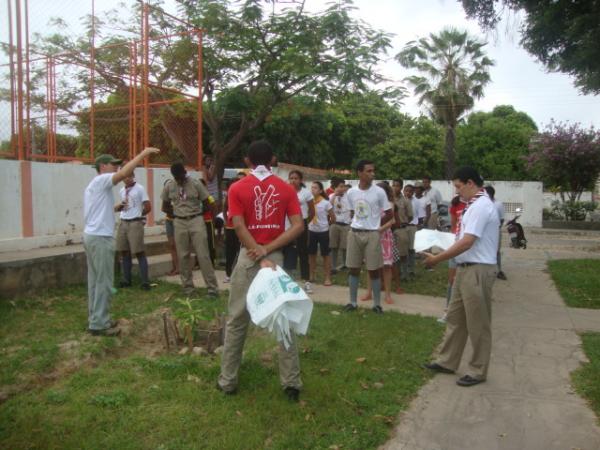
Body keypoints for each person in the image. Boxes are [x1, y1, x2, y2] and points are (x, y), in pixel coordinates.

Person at [217, 139, 305, 401]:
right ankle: (291, 383)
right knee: (284, 318)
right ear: (273, 160)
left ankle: (228, 381)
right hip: (274, 254)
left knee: (236, 319)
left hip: (248, 254)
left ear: (247, 161)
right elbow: (298, 225)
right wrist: (267, 250)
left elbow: (238, 226)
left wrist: (256, 250)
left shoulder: (237, 187)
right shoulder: (286, 188)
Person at [422, 166, 499, 387]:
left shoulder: (481, 206)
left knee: (478, 324)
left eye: (458, 186)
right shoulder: (471, 205)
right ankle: (447, 361)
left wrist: (437, 259)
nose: (456, 192)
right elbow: (460, 239)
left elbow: (467, 241)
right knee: (456, 318)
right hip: (466, 268)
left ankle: (477, 370)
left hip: (478, 270)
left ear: (470, 184)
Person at [83, 147, 160, 336]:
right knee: (104, 281)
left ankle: (96, 318)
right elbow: (126, 173)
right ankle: (100, 324)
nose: (117, 168)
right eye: (114, 165)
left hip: (91, 236)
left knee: (95, 281)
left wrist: (115, 208)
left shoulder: (95, 185)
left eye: (118, 165)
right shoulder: (102, 180)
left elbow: (97, 210)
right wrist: (143, 154)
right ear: (102, 166)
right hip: (100, 238)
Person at [161, 162, 219, 297]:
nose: (180, 179)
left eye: (182, 176)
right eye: (177, 177)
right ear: (174, 176)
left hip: (196, 220)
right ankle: (188, 289)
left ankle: (212, 289)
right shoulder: (170, 186)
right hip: (179, 222)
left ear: (184, 173)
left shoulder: (195, 183)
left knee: (203, 254)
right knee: (183, 256)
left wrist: (200, 215)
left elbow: (208, 202)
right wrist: (176, 213)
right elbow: (164, 206)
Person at [343, 160, 392, 314]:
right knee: (353, 268)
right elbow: (352, 212)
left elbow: (389, 214)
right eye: (369, 171)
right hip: (355, 233)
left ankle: (377, 304)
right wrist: (360, 222)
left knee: (374, 270)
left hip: (372, 234)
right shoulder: (351, 192)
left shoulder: (379, 192)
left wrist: (375, 224)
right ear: (359, 173)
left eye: (373, 171)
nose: (372, 174)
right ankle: (352, 302)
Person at [360, 181, 397, 305]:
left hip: (385, 237)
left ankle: (387, 294)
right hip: (372, 236)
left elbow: (392, 221)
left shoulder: (390, 204)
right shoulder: (371, 203)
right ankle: (368, 292)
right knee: (371, 266)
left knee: (386, 267)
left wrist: (378, 229)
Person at [114, 172, 152, 290]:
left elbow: (148, 206)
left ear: (132, 176)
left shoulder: (139, 189)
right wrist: (120, 207)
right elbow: (124, 205)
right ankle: (126, 280)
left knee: (139, 251)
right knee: (124, 251)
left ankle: (145, 281)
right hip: (123, 221)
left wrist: (140, 215)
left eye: (128, 176)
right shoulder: (121, 190)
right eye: (124, 177)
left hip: (135, 222)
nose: (126, 179)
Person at [438, 194, 467, 323]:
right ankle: (448, 311)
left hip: (470, 248)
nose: (457, 190)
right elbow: (454, 227)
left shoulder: (478, 204)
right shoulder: (455, 204)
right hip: (456, 246)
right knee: (452, 280)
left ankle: (464, 312)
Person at [286, 170, 315, 293]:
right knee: (289, 252)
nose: (293, 180)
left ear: (301, 180)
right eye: (291, 178)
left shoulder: (306, 193)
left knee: (303, 252)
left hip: (301, 224)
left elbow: (312, 211)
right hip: (288, 226)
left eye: (296, 178)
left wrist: (305, 223)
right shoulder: (285, 192)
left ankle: (306, 281)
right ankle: (289, 281)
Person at [308, 181, 335, 286]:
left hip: (323, 231)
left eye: (315, 188)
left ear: (320, 190)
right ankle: (311, 276)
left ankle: (327, 278)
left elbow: (333, 218)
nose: (312, 189)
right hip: (311, 231)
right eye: (312, 187)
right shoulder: (309, 202)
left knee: (325, 255)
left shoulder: (325, 203)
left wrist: (326, 225)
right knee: (311, 254)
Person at [391, 179, 413, 283]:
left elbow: (410, 216)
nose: (395, 187)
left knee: (403, 253)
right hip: (389, 230)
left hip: (401, 229)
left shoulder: (406, 201)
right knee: (391, 254)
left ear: (401, 187)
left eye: (397, 186)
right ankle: (395, 273)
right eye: (393, 185)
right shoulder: (388, 199)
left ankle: (405, 274)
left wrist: (402, 223)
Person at [329, 178, 352, 273]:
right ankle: (333, 266)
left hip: (346, 225)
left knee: (345, 246)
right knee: (333, 246)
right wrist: (335, 195)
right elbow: (328, 207)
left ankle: (345, 265)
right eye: (340, 187)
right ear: (335, 187)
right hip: (334, 224)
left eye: (343, 186)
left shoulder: (348, 197)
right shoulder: (331, 196)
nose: (342, 188)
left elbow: (352, 210)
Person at [485, 185, 507, 280]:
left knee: (496, 251)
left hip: (496, 231)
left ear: (490, 194)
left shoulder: (498, 204)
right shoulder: (483, 203)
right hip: (484, 231)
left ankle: (498, 270)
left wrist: (496, 228)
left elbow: (501, 219)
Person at [223, 178, 242, 283]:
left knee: (241, 251)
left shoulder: (244, 195)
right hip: (230, 227)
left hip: (242, 227)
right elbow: (225, 207)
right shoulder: (229, 196)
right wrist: (226, 220)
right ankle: (228, 274)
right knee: (230, 251)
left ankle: (239, 273)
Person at [163, 179, 179, 276]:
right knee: (172, 245)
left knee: (180, 245)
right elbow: (164, 208)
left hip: (178, 221)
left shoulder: (179, 195)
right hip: (169, 220)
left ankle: (181, 268)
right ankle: (175, 267)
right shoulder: (165, 198)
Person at [404, 184, 418, 277]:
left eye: (410, 191)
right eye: (406, 191)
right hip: (403, 227)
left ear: (413, 192)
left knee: (411, 249)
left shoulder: (416, 202)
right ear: (403, 191)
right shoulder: (401, 201)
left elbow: (420, 216)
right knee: (403, 249)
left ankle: (411, 269)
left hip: (412, 226)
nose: (408, 193)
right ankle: (403, 269)